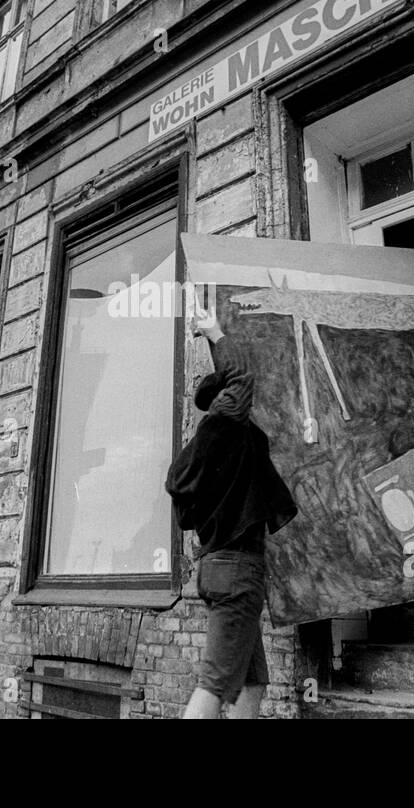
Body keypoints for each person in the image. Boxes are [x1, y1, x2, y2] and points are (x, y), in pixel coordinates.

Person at [166, 304, 297, 719]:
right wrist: (214, 332)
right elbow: (242, 376)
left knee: (251, 678)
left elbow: (184, 507)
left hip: (218, 570)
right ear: (226, 399)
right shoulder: (226, 426)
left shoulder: (208, 447)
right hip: (238, 571)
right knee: (216, 683)